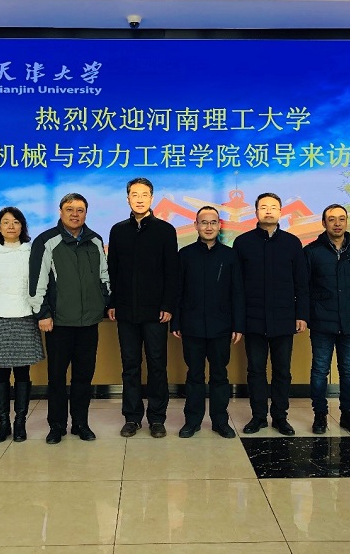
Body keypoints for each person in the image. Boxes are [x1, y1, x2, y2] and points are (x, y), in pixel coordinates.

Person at [29, 193, 111, 444]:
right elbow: (36, 282)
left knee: (84, 376)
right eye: (69, 209)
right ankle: (56, 426)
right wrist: (43, 313)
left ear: (86, 213)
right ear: (60, 211)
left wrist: (105, 303)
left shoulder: (95, 240)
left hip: (89, 322)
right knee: (56, 378)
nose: (75, 214)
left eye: (80, 210)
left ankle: (80, 423)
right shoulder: (46, 241)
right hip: (59, 322)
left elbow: (104, 276)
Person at [233, 192, 310, 436]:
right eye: (263, 207)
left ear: (280, 212)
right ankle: (258, 417)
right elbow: (236, 287)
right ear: (256, 212)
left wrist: (301, 314)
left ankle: (280, 417)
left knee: (282, 371)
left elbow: (301, 283)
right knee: (255, 371)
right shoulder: (242, 243)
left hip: (284, 319)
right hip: (253, 319)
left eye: (273, 207)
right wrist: (238, 321)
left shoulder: (292, 243)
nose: (268, 211)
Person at [107, 178, 179, 438]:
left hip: (156, 312)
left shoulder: (165, 230)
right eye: (134, 194)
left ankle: (157, 418)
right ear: (127, 198)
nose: (139, 199)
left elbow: (172, 271)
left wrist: (168, 304)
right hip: (126, 310)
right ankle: (132, 417)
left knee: (157, 365)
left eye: (144, 194)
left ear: (152, 198)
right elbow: (112, 270)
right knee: (130, 365)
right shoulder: (118, 231)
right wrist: (112, 302)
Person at [171, 206, 244, 439]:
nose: (209, 227)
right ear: (196, 225)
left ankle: (220, 422)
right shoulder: (185, 254)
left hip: (222, 326)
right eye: (204, 222)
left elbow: (238, 292)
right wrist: (176, 322)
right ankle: (192, 421)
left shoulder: (230, 255)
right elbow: (178, 291)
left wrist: (238, 325)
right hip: (191, 325)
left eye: (213, 222)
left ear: (219, 225)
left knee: (219, 376)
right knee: (194, 375)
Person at [0, 206, 44, 443]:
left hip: (25, 317)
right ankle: (3, 423)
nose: (11, 226)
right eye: (6, 222)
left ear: (22, 226)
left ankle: (20, 422)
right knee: (1, 372)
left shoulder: (31, 252)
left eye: (16, 222)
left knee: (23, 371)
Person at [304, 204, 350, 435]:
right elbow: (305, 286)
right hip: (322, 321)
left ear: (347, 222)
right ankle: (320, 414)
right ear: (324, 223)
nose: (337, 223)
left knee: (348, 370)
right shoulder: (311, 251)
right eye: (332, 219)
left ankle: (348, 414)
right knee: (320, 369)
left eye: (342, 219)